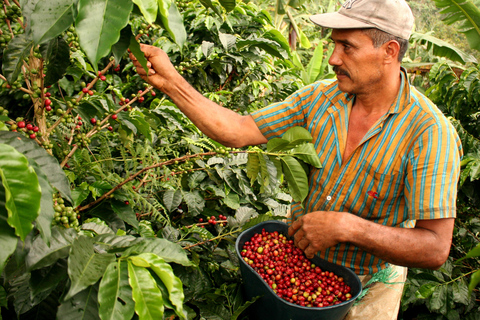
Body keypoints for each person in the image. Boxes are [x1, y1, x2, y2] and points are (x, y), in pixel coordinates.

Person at [131, 0, 462, 318]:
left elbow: (434, 248)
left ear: (389, 51)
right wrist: (170, 82)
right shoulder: (319, 99)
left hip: (370, 285)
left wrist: (350, 228)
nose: (333, 58)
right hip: (298, 264)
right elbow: (240, 129)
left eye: (347, 46)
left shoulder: (429, 134)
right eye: (334, 45)